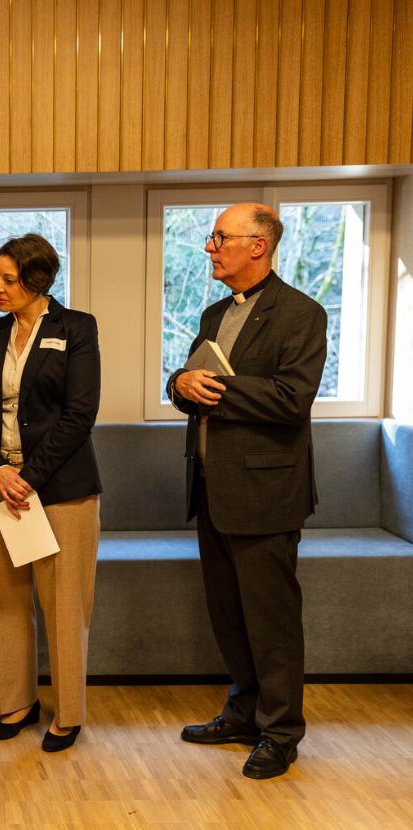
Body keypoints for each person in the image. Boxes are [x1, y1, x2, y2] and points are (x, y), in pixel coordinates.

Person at [168, 203, 327, 780]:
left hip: (267, 493)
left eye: (219, 238)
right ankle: (243, 712)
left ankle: (281, 731)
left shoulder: (302, 314)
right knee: (229, 615)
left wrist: (218, 388)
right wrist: (180, 382)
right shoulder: (215, 312)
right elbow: (189, 378)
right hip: (212, 488)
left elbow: (291, 399)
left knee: (272, 620)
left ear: (257, 246)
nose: (209, 247)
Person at [0, 234, 102, 753]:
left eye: (9, 280)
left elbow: (79, 415)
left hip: (60, 490)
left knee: (64, 604)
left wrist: (29, 477)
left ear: (38, 281)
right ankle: (16, 702)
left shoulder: (77, 329)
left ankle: (68, 714)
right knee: (3, 599)